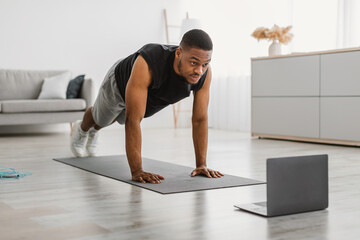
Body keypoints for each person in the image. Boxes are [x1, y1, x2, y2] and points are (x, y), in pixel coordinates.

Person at [71, 29, 224, 184]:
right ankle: (82, 129)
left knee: (117, 118)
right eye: (193, 63)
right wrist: (137, 171)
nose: (199, 70)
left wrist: (201, 165)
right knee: (102, 118)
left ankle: (95, 130)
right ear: (178, 53)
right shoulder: (149, 61)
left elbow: (199, 119)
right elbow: (134, 120)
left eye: (205, 64)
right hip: (119, 83)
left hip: (148, 96)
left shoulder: (204, 73)